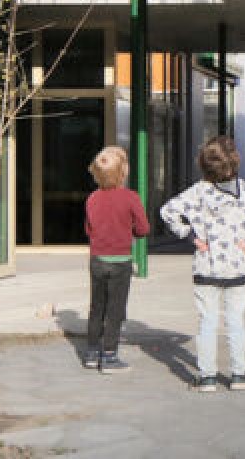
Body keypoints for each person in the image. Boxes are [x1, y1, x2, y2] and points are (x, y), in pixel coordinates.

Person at [160, 135, 245, 392]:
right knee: (236, 321)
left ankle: (207, 377)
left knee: (207, 321)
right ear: (235, 161)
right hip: (236, 267)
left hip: (206, 265)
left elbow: (168, 211)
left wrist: (191, 236)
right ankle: (238, 374)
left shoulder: (196, 192)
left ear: (203, 164)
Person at [83, 145, 149, 372]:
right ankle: (110, 356)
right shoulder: (131, 197)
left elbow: (88, 229)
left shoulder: (92, 199)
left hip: (97, 259)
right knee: (115, 310)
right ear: (124, 173)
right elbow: (143, 229)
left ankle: (92, 353)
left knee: (96, 307)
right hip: (120, 261)